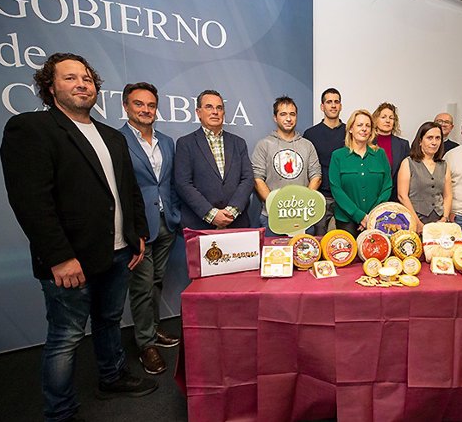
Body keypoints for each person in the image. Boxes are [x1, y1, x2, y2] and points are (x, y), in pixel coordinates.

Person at [0, 52, 157, 422]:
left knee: (109, 320)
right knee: (67, 336)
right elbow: (30, 201)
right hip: (71, 259)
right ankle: (60, 411)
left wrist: (137, 235)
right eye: (70, 78)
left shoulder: (110, 136)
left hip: (118, 252)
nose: (82, 84)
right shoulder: (31, 128)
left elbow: (128, 191)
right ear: (49, 86)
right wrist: (59, 257)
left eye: (87, 78)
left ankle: (112, 377)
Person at [119, 82, 181, 376]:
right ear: (126, 106)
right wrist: (131, 231)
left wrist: (175, 215)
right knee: (142, 287)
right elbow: (118, 190)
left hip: (166, 222)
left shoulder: (166, 141)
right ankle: (145, 344)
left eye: (151, 105)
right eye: (138, 104)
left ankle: (153, 330)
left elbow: (168, 183)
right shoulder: (117, 141)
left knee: (157, 282)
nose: (145, 110)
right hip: (138, 228)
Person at [174, 90, 254, 230]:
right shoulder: (185, 143)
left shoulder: (238, 143)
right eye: (209, 107)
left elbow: (247, 179)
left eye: (219, 108)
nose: (215, 112)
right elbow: (183, 183)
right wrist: (211, 214)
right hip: (200, 225)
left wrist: (232, 211)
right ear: (198, 112)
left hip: (236, 223)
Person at [252, 95, 321, 235]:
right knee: (274, 256)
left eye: (292, 114)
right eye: (283, 114)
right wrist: (276, 204)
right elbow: (257, 179)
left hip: (304, 218)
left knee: (304, 256)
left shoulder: (307, 145)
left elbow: (316, 176)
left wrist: (302, 205)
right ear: (275, 117)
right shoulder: (264, 145)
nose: (288, 118)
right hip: (272, 217)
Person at [329, 109, 392, 238]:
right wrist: (360, 216)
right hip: (346, 221)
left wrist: (371, 216)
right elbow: (336, 189)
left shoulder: (380, 154)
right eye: (360, 125)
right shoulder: (338, 156)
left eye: (367, 126)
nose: (364, 129)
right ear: (351, 129)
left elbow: (387, 186)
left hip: (377, 220)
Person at [303, 88, 346, 235]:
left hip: (345, 198)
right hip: (320, 197)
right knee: (319, 239)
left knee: (344, 241)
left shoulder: (350, 132)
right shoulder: (310, 134)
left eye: (336, 102)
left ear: (340, 106)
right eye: (329, 102)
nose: (333, 105)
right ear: (322, 106)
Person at [397, 121, 452, 233]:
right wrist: (417, 222)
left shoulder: (444, 165)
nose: (434, 142)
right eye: (430, 138)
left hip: (439, 221)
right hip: (415, 220)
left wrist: (444, 218)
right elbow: (402, 196)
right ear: (420, 141)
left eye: (438, 138)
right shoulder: (408, 163)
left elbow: (448, 195)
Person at [373, 102, 409, 201]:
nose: (387, 120)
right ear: (376, 120)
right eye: (383, 117)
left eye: (391, 118)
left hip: (395, 198)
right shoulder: (367, 143)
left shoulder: (403, 145)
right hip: (371, 198)